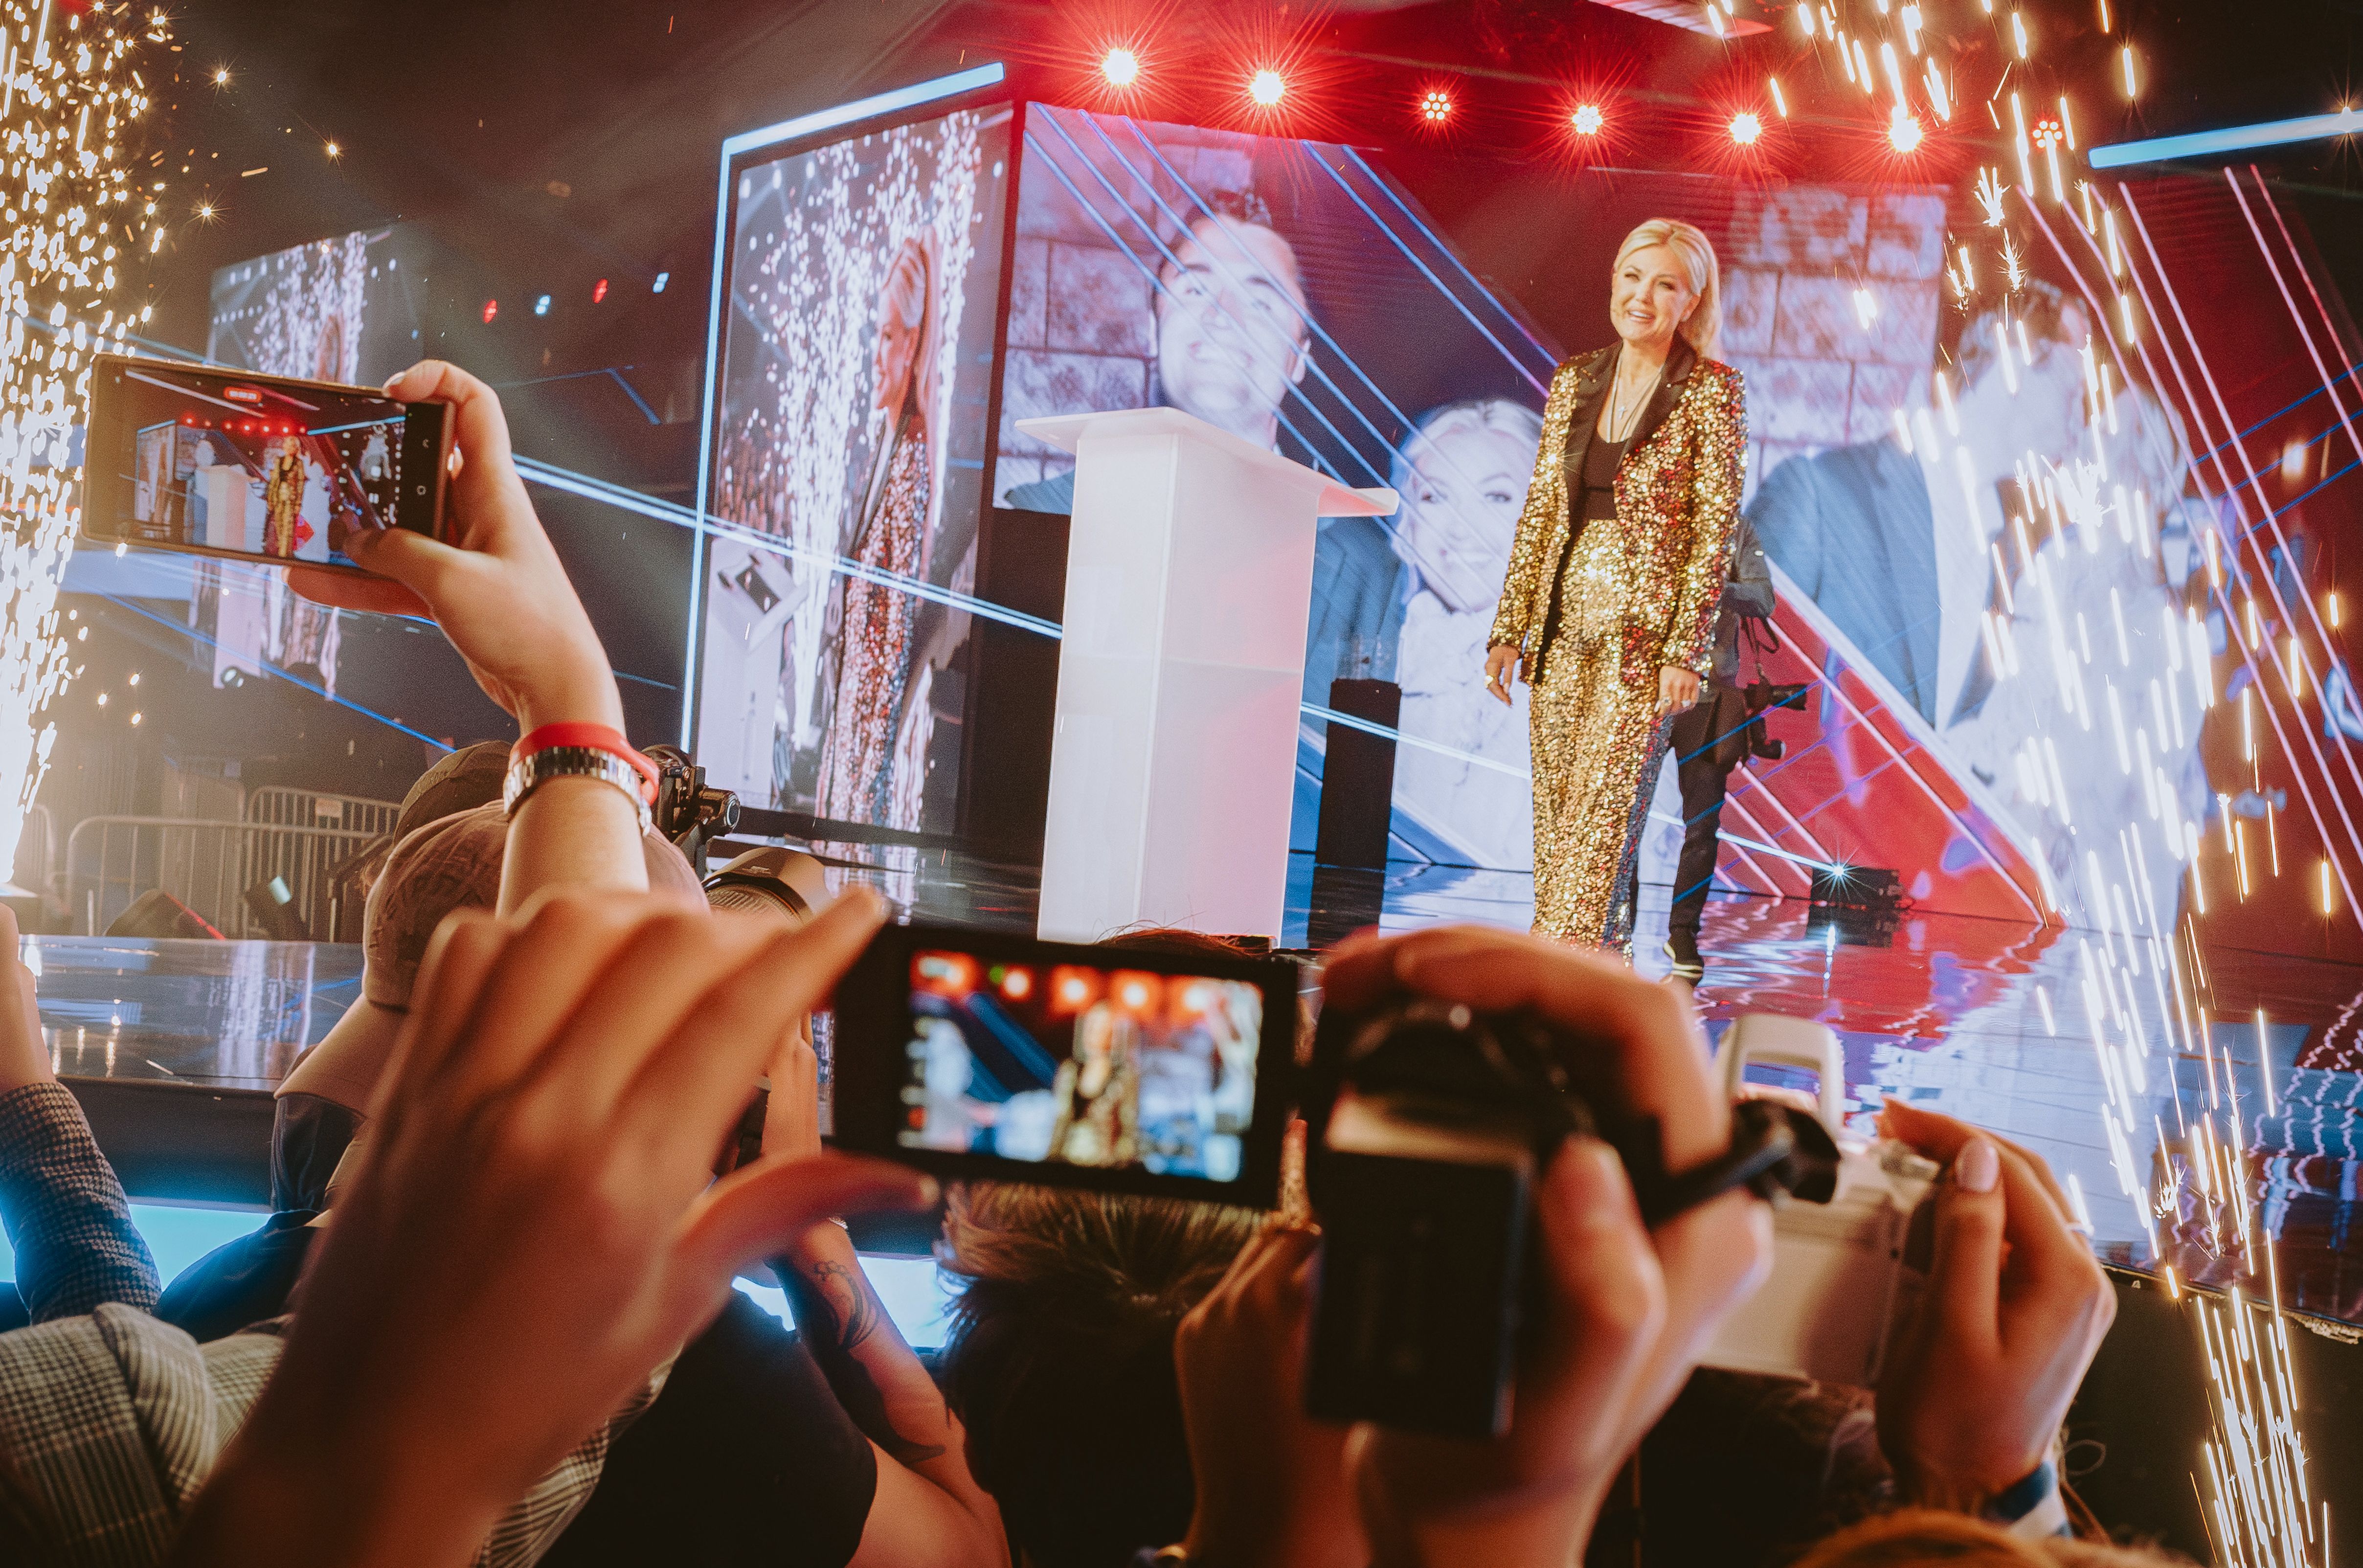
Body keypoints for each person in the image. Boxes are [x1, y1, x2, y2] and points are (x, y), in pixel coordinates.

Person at [1484, 218, 1748, 950]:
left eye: (1664, 284)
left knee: (1600, 830)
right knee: (1559, 821)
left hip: (1643, 645)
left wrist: (1683, 652)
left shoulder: (1711, 393)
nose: (1642, 296)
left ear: (1690, 301)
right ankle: (1601, 981)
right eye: (1632, 277)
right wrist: (1509, 629)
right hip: (1562, 628)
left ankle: (1550, 978)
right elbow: (1540, 509)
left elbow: (1710, 530)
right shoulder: (1574, 379)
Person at [1002, 194, 1312, 515]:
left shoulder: (1363, 555)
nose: (1223, 315)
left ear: (1299, 359)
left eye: (1260, 303)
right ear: (1153, 330)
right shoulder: (1045, 513)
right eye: (1196, 289)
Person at [1379, 397, 1547, 872]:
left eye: (1495, 497)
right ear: (1406, 518)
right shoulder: (1382, 654)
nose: (1462, 526)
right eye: (1435, 496)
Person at [819, 234, 938, 831]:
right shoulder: (885, 447)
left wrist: (864, 771)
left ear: (914, 343)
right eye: (877, 334)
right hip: (852, 728)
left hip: (866, 746)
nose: (876, 354)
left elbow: (892, 633)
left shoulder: (911, 454)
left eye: (889, 336)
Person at [1634, 511, 1776, 980]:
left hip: (1709, 696)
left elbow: (1762, 598)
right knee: (1621, 821)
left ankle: (1682, 932)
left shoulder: (1735, 528)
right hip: (1639, 694)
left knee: (1701, 825)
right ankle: (1617, 926)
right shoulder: (1646, 509)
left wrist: (1710, 587)